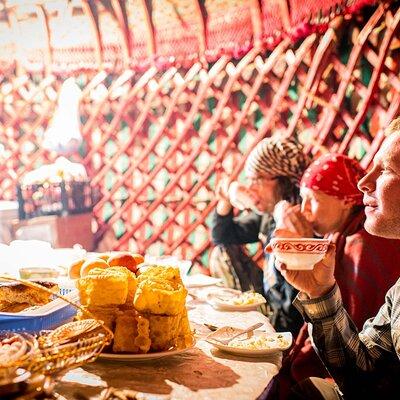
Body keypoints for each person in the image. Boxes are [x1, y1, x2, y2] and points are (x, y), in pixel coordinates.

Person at [275, 117, 400, 398]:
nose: (364, 183)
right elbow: (362, 374)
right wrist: (319, 292)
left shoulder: (365, 246)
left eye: (386, 170)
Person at [210, 136, 310, 333]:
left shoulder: (301, 220)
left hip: (291, 320)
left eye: (257, 179)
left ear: (282, 180)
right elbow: (222, 236)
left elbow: (296, 302)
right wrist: (227, 197)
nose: (251, 188)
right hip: (270, 301)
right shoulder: (268, 216)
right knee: (221, 253)